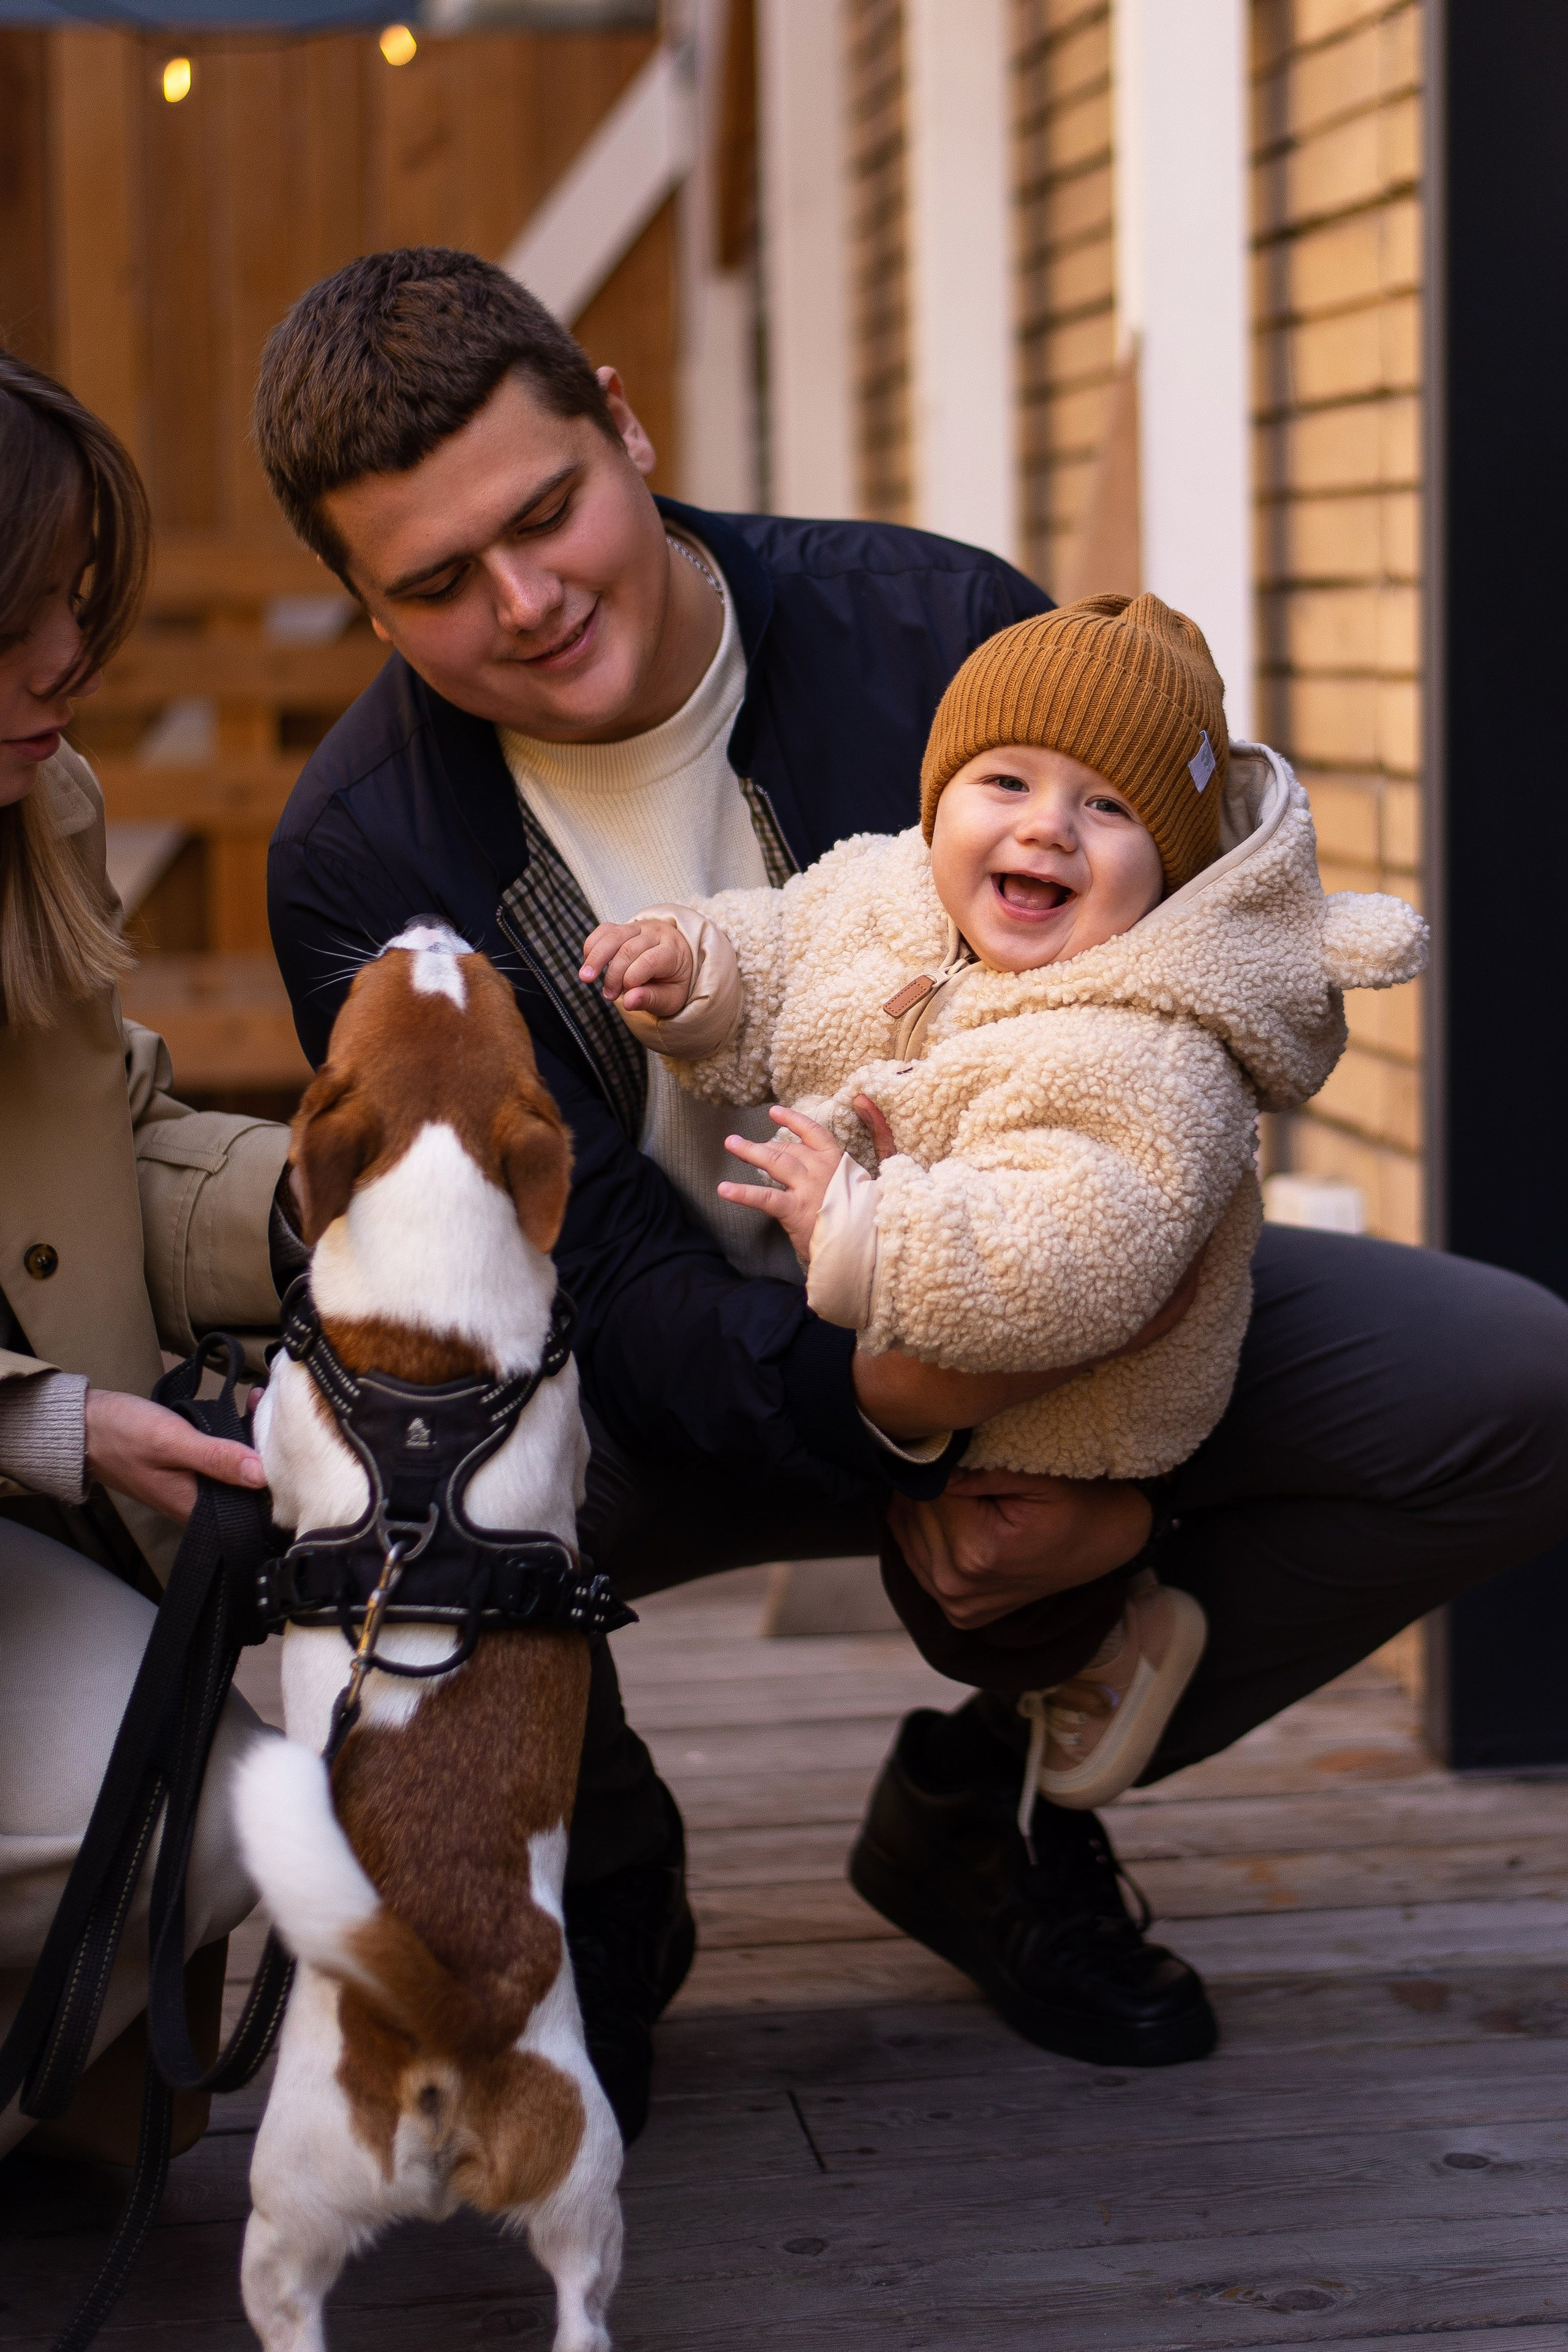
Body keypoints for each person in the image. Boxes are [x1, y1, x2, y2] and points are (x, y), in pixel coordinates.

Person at [257, 247, 1568, 2122]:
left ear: (624, 424)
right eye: (440, 583)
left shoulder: (942, 627)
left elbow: (1191, 992)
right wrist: (889, 1410)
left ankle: (1002, 1804)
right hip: (638, 1396)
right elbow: (571, 1264)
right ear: (368, 609)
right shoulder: (357, 851)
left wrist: (1082, 1443)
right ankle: (604, 1894)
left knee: (1512, 1386)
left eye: (545, 515)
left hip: (1039, 1304)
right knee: (370, 1483)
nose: (527, 602)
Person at [579, 592, 1425, 1823]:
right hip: (889, 1356)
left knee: (991, 1586)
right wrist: (698, 974)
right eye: (1006, 782)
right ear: (941, 801)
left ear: (1170, 870)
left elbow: (1071, 1253)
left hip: (1066, 1415)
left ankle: (1107, 1631)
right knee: (922, 1541)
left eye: (1108, 807)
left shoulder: (1150, 1048)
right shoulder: (883, 894)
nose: (1046, 828)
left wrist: (874, 1235)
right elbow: (780, 945)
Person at [0, 352, 290, 2163]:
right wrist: (53, 1425)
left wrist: (326, 1204)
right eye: (13, 614)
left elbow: (107, 1141)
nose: (66, 663)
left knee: (238, 1819)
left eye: (76, 603)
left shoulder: (46, 805)